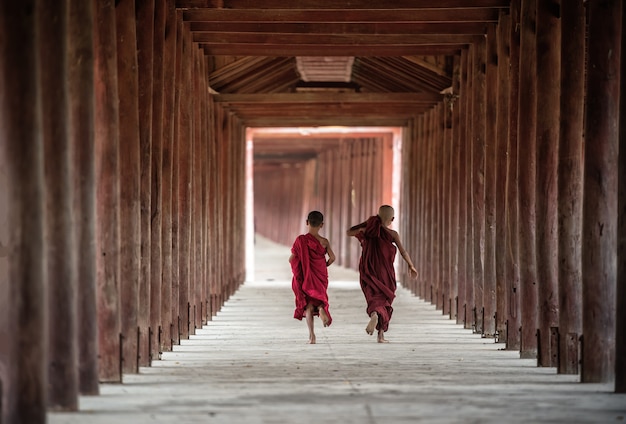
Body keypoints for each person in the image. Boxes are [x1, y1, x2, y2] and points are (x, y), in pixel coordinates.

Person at [347, 205, 418, 343]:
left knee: (373, 297)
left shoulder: (368, 230)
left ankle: (374, 315)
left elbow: (349, 232)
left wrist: (365, 224)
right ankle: (380, 335)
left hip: (369, 271)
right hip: (386, 273)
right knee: (385, 301)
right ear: (392, 219)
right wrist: (411, 265)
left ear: (377, 216)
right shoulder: (392, 234)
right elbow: (403, 251)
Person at [289, 210, 336, 344]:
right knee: (319, 301)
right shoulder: (324, 242)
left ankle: (312, 336)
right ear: (322, 225)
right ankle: (321, 309)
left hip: (306, 277)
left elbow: (291, 259)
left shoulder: (301, 241)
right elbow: (333, 258)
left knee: (308, 306)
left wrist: (302, 267)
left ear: (307, 223)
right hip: (320, 275)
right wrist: (324, 265)